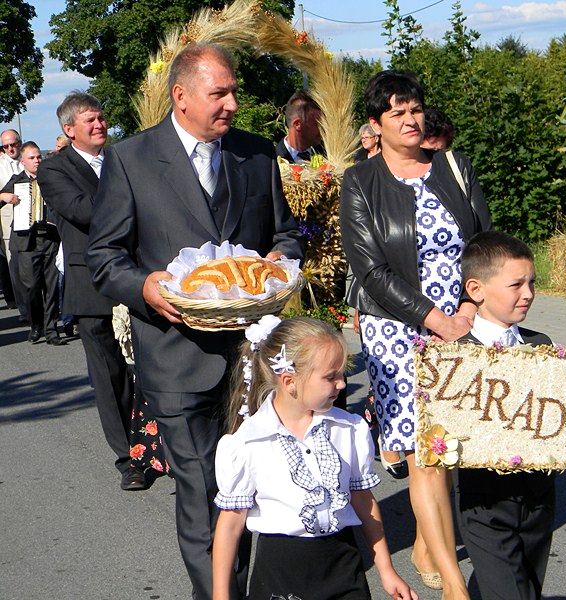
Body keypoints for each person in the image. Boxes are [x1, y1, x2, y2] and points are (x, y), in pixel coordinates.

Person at [86, 43, 304, 600]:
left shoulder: (255, 155)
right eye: (220, 93)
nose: (233, 103)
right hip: (175, 358)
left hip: (252, 360)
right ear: (180, 96)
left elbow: (283, 233)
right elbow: (105, 256)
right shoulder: (132, 158)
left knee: (251, 489)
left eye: (234, 91)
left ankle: (238, 586)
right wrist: (144, 287)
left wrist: (278, 261)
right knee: (205, 489)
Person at [340, 70, 492, 600]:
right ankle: (454, 582)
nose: (409, 119)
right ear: (376, 125)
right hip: (397, 331)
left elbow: (484, 244)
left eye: (414, 109)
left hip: (464, 323)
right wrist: (435, 318)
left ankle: (430, 544)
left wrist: (472, 305)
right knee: (423, 453)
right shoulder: (360, 182)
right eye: (397, 111)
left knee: (451, 446)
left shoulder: (453, 165)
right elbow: (370, 270)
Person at [212, 316, 417, 600]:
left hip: (343, 564)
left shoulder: (349, 429)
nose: (342, 384)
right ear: (289, 381)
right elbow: (231, 522)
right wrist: (221, 595)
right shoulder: (249, 441)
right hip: (280, 571)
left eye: (342, 374)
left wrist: (386, 569)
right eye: (331, 376)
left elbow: (362, 500)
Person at [38, 91, 144, 489]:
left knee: (149, 367)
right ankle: (129, 458)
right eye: (90, 121)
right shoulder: (55, 170)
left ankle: (157, 441)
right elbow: (82, 210)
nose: (100, 125)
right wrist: (134, 205)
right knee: (110, 374)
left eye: (101, 118)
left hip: (137, 278)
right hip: (92, 284)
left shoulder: (121, 159)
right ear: (69, 130)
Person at [456, 231, 555, 600]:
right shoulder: (455, 358)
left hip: (538, 499)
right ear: (477, 289)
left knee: (528, 587)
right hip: (486, 504)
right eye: (516, 284)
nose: (528, 293)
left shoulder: (541, 345)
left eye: (531, 282)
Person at [0, 142, 65, 345]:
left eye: (38, 157)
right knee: (31, 287)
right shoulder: (16, 180)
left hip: (50, 238)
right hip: (26, 242)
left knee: (52, 286)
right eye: (32, 158)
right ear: (23, 161)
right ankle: (36, 325)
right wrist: (4, 196)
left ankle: (52, 329)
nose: (37, 161)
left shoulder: (51, 179)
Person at [0, 129, 24, 314]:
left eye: (13, 144)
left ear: (20, 143)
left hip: (34, 220)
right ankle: (23, 308)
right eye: (5, 146)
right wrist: (3, 196)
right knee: (14, 265)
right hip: (8, 222)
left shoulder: (30, 159)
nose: (10, 148)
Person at [275, 90, 324, 163]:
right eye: (318, 123)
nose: (324, 129)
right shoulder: (273, 161)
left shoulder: (327, 155)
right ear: (297, 124)